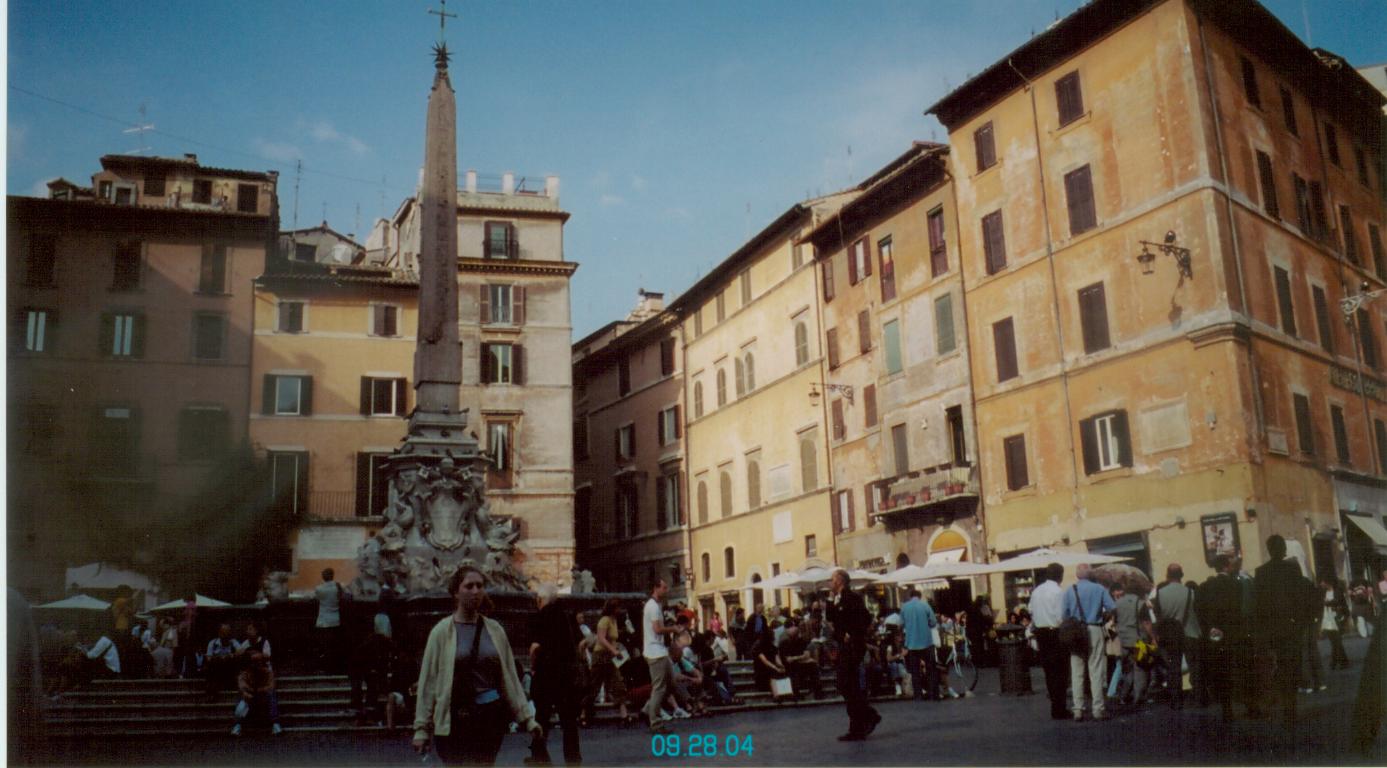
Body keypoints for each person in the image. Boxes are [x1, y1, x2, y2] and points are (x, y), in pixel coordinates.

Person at [412, 566, 542, 765]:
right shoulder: (441, 632)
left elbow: (509, 678)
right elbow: (428, 682)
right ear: (456, 592)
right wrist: (421, 729)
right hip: (455, 717)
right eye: (469, 586)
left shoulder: (495, 630)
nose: (476, 591)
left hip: (489, 717)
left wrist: (527, 718)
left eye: (480, 586)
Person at [1253, 535, 1316, 723]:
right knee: (1293, 665)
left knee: (1280, 666)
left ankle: (1286, 705)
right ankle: (1291, 706)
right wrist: (1302, 622)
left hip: (1273, 629)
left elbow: (1259, 604)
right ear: (1282, 549)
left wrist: (1262, 630)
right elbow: (1301, 597)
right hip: (1291, 627)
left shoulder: (1261, 572)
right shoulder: (1292, 569)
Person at [528, 582, 583, 765]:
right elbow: (581, 643)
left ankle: (539, 757)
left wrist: (533, 667)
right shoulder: (566, 616)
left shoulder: (540, 616)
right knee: (569, 722)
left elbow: (535, 648)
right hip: (565, 675)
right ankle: (573, 760)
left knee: (541, 718)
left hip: (545, 674)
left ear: (540, 599)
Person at [827, 568, 880, 741]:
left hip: (852, 647)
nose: (830, 582)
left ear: (840, 581)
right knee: (847, 686)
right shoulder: (838, 599)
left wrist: (852, 633)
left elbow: (865, 618)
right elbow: (830, 617)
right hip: (844, 646)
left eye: (832, 579)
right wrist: (829, 599)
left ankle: (860, 724)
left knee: (848, 685)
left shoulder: (852, 597)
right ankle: (865, 719)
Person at [1196, 554, 1251, 721]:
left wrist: (1209, 627)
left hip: (1216, 634)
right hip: (1234, 632)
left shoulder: (1206, 586)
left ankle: (1227, 709)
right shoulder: (1236, 584)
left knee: (1222, 671)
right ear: (1227, 566)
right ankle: (1250, 705)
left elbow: (1199, 609)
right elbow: (1239, 609)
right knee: (1241, 668)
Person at [1062, 563, 1116, 721]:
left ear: (1077, 575)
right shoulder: (1099, 589)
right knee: (1096, 669)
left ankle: (1078, 709)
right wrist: (1102, 616)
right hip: (1094, 628)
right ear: (1091, 575)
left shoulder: (1069, 590)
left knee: (1077, 671)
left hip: (1075, 631)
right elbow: (1112, 607)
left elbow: (1064, 615)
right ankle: (1097, 708)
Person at [1153, 564, 1200, 708]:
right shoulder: (1190, 592)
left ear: (1167, 575)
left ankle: (1176, 699)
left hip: (1171, 634)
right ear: (1182, 575)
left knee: (1173, 667)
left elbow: (1158, 614)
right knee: (1194, 667)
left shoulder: (1161, 593)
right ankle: (1198, 697)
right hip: (1190, 632)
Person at [1028, 563, 1071, 720]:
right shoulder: (1059, 592)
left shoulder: (1036, 591)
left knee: (1049, 671)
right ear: (1060, 575)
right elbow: (1061, 616)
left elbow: (1031, 610)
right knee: (1060, 672)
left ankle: (1055, 705)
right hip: (1056, 633)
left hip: (1041, 633)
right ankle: (1059, 708)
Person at [641, 578, 684, 734]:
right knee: (659, 687)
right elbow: (657, 629)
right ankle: (655, 723)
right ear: (656, 588)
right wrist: (673, 629)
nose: (666, 590)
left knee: (671, 684)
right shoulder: (652, 606)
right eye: (664, 588)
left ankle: (648, 709)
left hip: (660, 651)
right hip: (655, 652)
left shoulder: (656, 605)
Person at [586, 599, 632, 725]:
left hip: (610, 656)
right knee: (594, 685)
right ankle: (584, 713)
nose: (620, 610)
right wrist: (613, 650)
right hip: (600, 656)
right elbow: (601, 638)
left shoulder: (614, 621)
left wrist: (617, 651)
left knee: (618, 683)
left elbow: (613, 639)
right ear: (613, 609)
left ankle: (624, 716)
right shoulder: (604, 620)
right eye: (618, 608)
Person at [1110, 582, 1148, 710]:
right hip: (1139, 640)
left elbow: (1114, 621)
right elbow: (1146, 623)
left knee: (1127, 669)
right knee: (1140, 668)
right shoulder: (1141, 603)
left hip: (1124, 640)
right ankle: (1138, 697)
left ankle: (1124, 695)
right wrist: (1153, 637)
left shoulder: (1117, 603)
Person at [900, 588, 939, 702]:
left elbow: (901, 623)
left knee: (915, 670)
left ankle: (918, 695)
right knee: (931, 669)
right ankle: (933, 694)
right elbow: (933, 622)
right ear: (920, 596)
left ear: (910, 596)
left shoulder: (905, 607)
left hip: (911, 643)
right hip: (926, 642)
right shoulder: (925, 606)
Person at [232, 651, 283, 736]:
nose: (257, 664)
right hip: (250, 698)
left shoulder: (268, 673)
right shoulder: (244, 673)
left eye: (259, 662)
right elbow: (242, 686)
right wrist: (247, 693)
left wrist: (259, 690)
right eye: (254, 662)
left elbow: (271, 686)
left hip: (263, 697)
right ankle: (237, 725)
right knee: (241, 696)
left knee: (271, 695)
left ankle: (275, 724)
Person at [778, 624, 823, 699]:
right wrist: (799, 658)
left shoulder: (801, 641)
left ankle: (817, 692)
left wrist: (795, 658)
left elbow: (806, 655)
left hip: (798, 663)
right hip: (789, 665)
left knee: (813, 665)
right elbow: (787, 660)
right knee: (794, 669)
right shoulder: (784, 643)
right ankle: (796, 693)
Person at [315, 568, 346, 673]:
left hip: (323, 621)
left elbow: (316, 598)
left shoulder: (319, 589)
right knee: (334, 646)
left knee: (325, 646)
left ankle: (326, 668)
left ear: (323, 577)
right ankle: (335, 667)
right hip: (335, 620)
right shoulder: (338, 587)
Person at [204, 623, 243, 696]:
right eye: (223, 633)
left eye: (227, 632)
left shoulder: (233, 642)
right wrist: (219, 657)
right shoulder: (213, 643)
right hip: (217, 669)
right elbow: (208, 658)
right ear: (219, 633)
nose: (225, 635)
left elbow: (241, 651)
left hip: (229, 669)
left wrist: (230, 655)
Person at [1323, 578, 1351, 670]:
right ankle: (1337, 661)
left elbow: (1338, 601)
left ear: (1328, 582)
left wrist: (1326, 602)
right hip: (1327, 619)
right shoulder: (1323, 592)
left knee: (1337, 641)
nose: (1321, 584)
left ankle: (1340, 662)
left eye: (1323, 582)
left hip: (1337, 618)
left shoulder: (1337, 591)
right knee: (1333, 641)